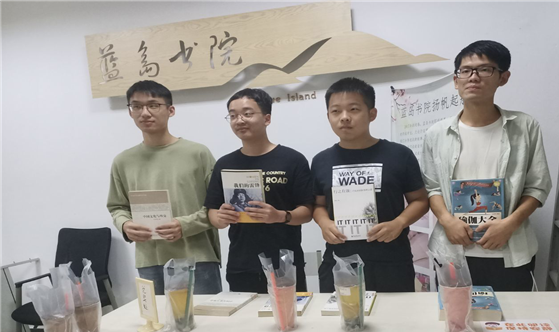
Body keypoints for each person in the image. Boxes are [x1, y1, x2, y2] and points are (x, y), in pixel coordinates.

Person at [422, 40, 552, 292]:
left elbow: (537, 187)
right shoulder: (436, 133)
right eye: (465, 70)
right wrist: (447, 221)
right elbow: (431, 187)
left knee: (513, 315)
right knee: (455, 314)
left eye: (484, 69)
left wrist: (509, 224)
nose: (473, 77)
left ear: (503, 78)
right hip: (453, 250)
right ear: (456, 80)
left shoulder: (525, 126)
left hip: (509, 249)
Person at [311, 77, 430, 293]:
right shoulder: (321, 160)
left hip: (391, 262)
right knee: (338, 315)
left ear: (372, 114)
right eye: (336, 111)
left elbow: (421, 201)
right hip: (339, 262)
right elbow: (318, 205)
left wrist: (399, 222)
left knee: (394, 315)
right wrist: (324, 223)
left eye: (353, 109)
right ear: (328, 116)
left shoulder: (399, 155)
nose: (344, 117)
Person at [107, 80, 222, 295]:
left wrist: (184, 225)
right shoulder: (123, 161)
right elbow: (117, 206)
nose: (145, 113)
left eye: (153, 105)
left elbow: (219, 207)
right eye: (136, 106)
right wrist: (125, 225)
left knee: (205, 317)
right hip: (150, 259)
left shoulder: (198, 153)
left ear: (171, 110)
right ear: (130, 112)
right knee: (158, 317)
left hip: (197, 256)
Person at [205, 88, 313, 293]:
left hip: (285, 263)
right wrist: (221, 218)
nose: (239, 120)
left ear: (267, 118)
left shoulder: (292, 159)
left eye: (247, 113)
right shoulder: (225, 164)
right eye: (233, 115)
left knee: (288, 313)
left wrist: (280, 216)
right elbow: (212, 211)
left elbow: (307, 211)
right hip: (242, 264)